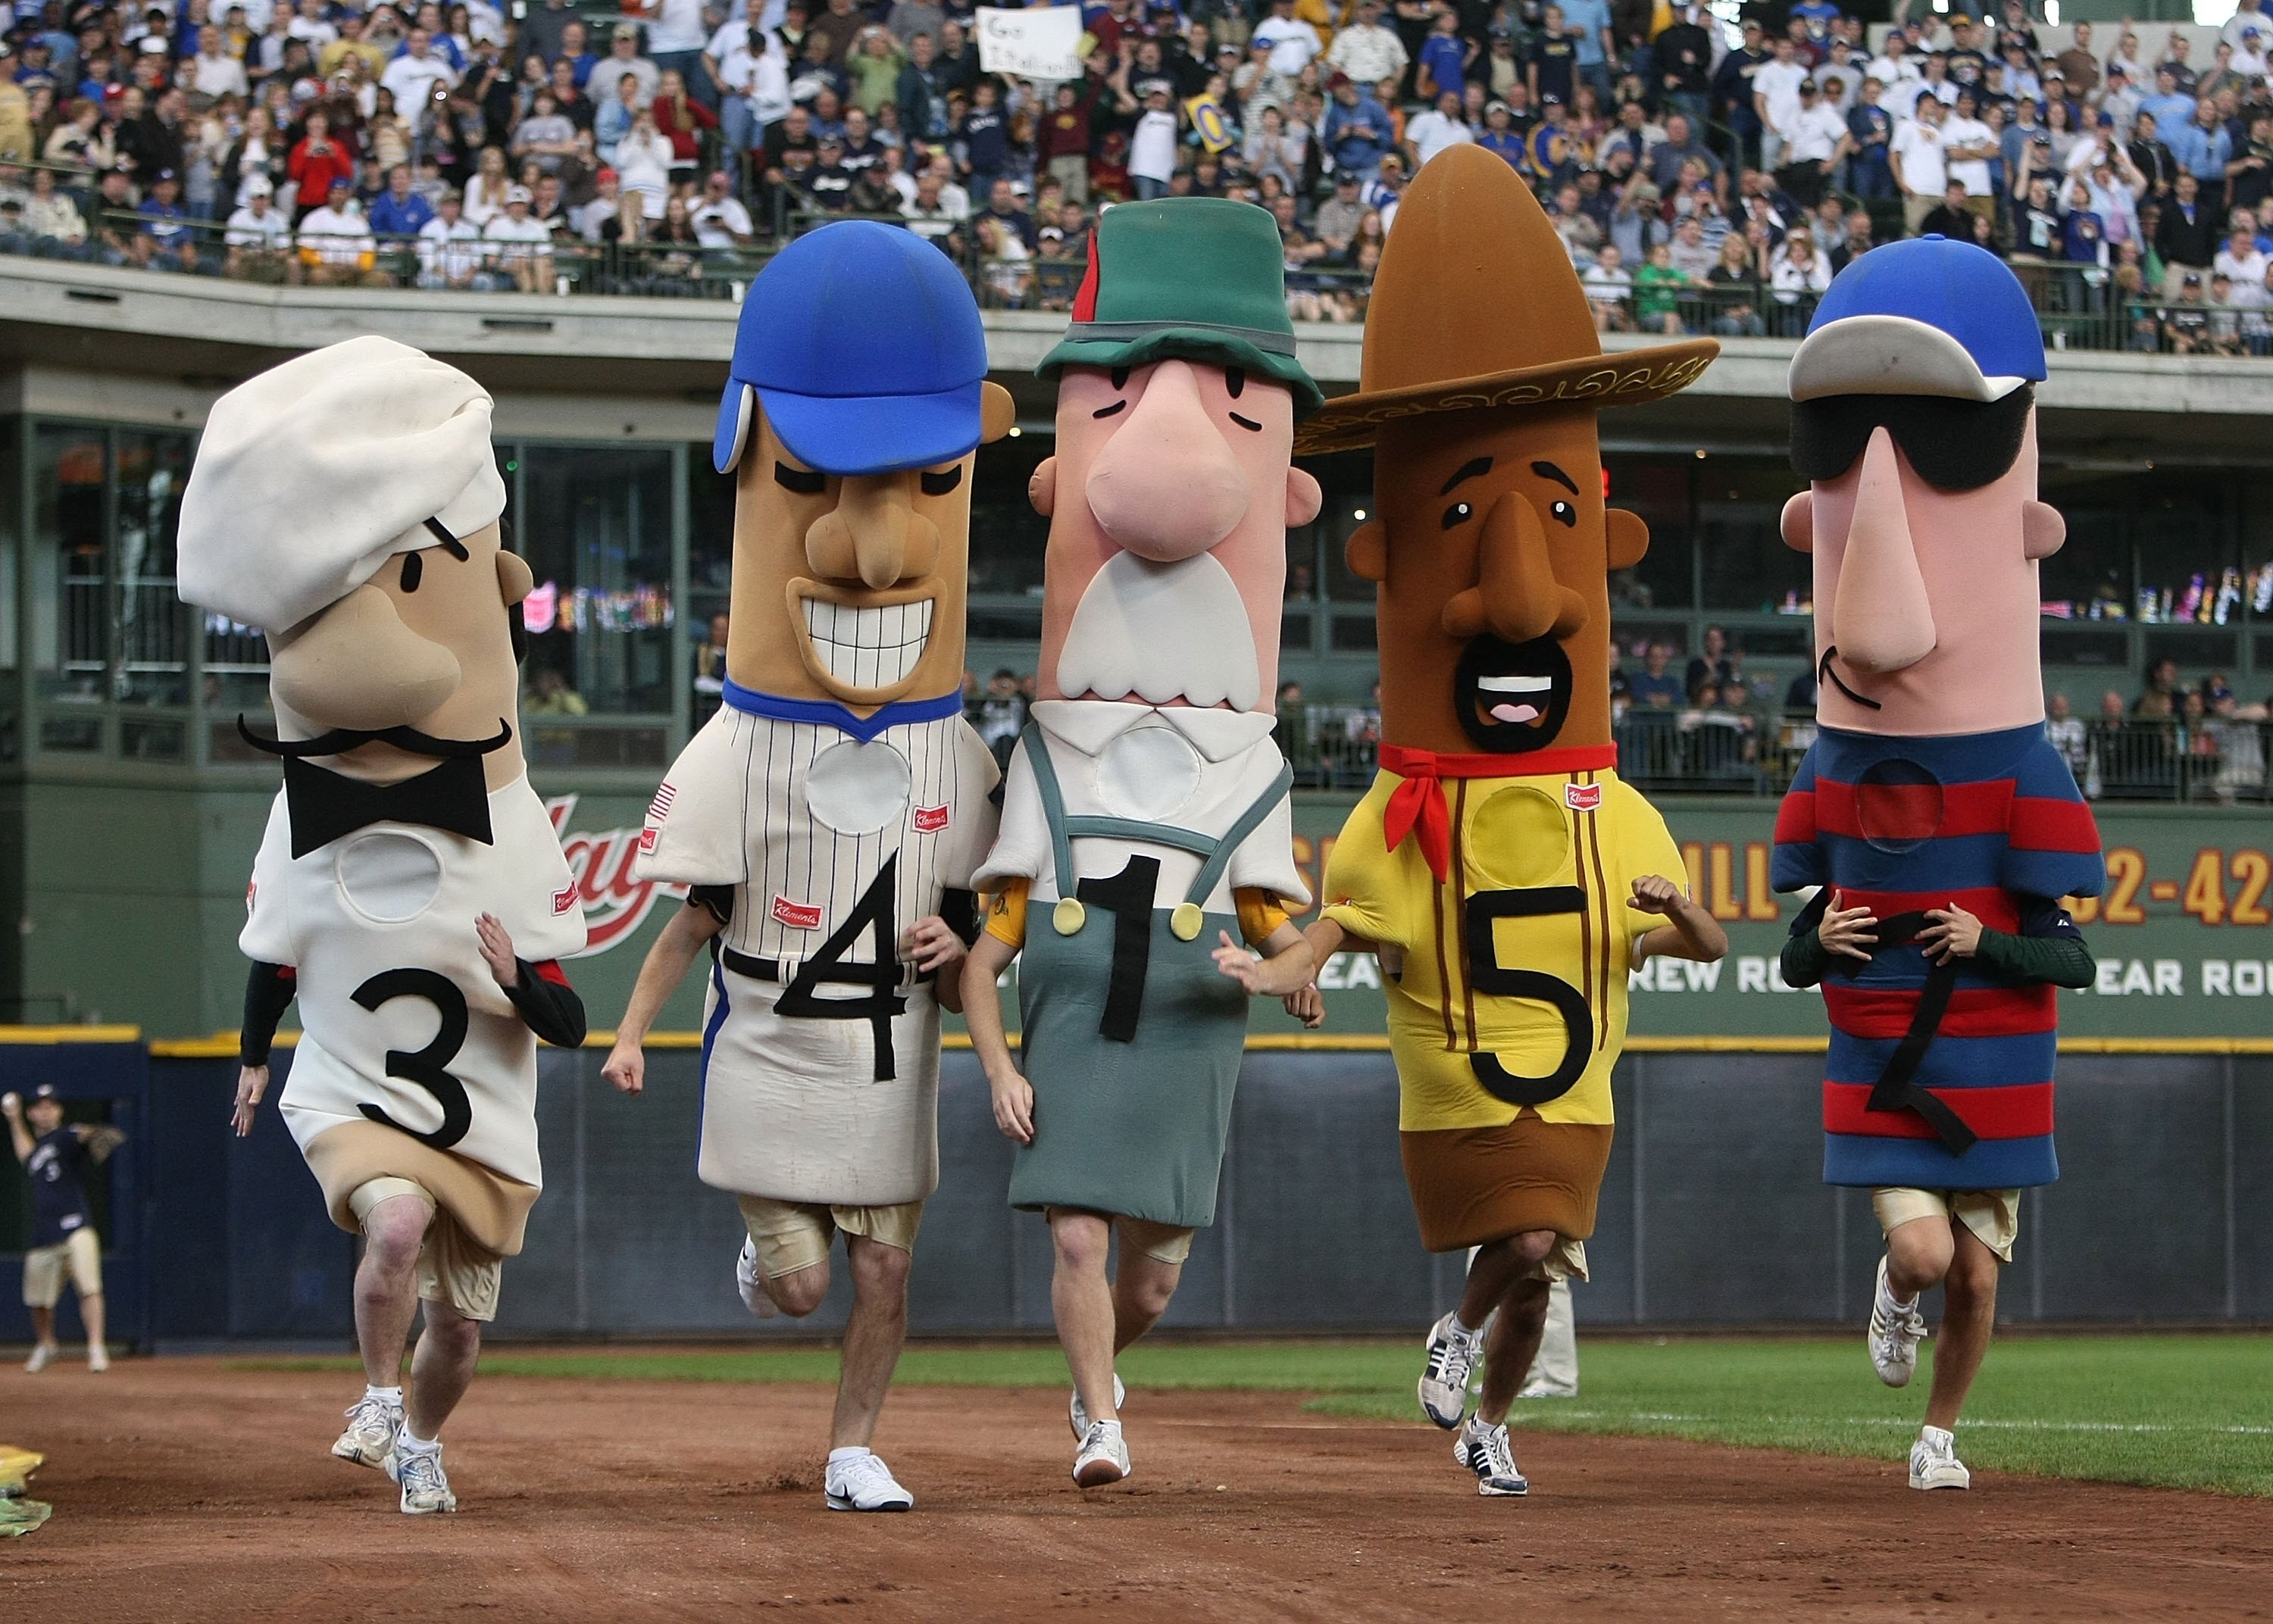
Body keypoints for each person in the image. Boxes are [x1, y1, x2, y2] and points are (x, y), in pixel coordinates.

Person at [1293, 149, 1727, 1499]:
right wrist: (1300, 958)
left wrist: (1680, 914)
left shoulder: (1616, 802)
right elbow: (1351, 905)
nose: (1525, 595)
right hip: (1471, 1074)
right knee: (1530, 1249)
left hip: (1576, 1075)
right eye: (1468, 519)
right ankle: (1455, 1330)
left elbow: (1709, 944)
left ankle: (1487, 1406)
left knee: (1542, 1272)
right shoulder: (1405, 800)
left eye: (1556, 515)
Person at [615, 224, 1010, 1516]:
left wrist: (968, 954)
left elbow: (983, 912)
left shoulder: (959, 753)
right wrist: (630, 1031)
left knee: (887, 1276)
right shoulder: (736, 746)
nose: (875, 548)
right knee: (799, 1285)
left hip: (894, 1055)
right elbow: (692, 918)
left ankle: (854, 1445)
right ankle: (764, 1262)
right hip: (778, 1042)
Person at [182, 339, 590, 1516]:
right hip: (356, 1091)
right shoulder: (300, 810)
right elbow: (280, 948)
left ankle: (419, 1430)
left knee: (459, 1337)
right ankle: (374, 1397)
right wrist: (258, 1059)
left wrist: (518, 981)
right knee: (394, 1222)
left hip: (483, 1121)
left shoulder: (511, 830)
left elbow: (567, 1021)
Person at [965, 199, 1326, 1492]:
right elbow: (990, 933)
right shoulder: (1046, 760)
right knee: (1073, 1239)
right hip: (1071, 1013)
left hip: (1186, 1022)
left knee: (1154, 1268)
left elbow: (1282, 923)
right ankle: (1098, 1416)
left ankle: (1107, 1372)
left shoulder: (1256, 768)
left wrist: (1295, 976)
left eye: (1238, 408)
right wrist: (998, 1059)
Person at [1774, 239, 2106, 1494]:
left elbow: (2069, 946)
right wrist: (1825, 943)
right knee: (1922, 1254)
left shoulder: (2027, 774)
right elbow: (1797, 939)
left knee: (1977, 1271)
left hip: (1990, 1059)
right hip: (1889, 1067)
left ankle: (1939, 1432)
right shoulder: (1833, 772)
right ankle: (1889, 1294)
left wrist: (1989, 944)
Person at [5, 1084, 124, 1373]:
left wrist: (92, 1133)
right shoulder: (37, 1152)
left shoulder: (65, 1136)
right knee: (37, 1300)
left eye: (51, 1106)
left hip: (76, 1226)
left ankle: (96, 1347)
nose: (46, 1111)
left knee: (89, 1286)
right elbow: (26, 1155)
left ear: (58, 1111)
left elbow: (84, 1135)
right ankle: (47, 1344)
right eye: (41, 1107)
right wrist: (13, 1119)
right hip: (44, 1233)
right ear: (33, 1113)